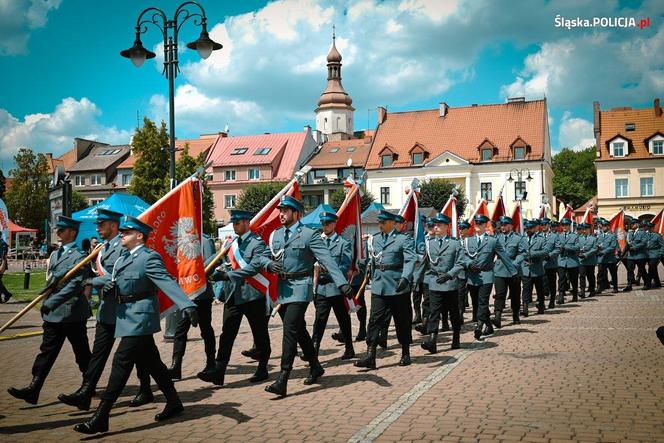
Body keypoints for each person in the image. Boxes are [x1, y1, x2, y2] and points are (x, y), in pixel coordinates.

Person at [73, 216, 199, 434]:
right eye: (122, 232)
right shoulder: (123, 258)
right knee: (153, 364)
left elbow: (166, 281)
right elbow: (112, 279)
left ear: (139, 236)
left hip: (140, 318)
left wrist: (187, 304)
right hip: (126, 317)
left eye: (127, 232)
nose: (122, 234)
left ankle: (101, 416)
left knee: (121, 362)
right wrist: (89, 282)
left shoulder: (149, 258)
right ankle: (174, 401)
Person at [59, 209, 153, 411]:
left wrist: (91, 281)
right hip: (107, 309)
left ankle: (146, 389)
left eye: (101, 224)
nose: (98, 228)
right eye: (97, 225)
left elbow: (119, 276)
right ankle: (86, 391)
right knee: (99, 354)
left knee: (141, 354)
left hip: (126, 309)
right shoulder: (102, 248)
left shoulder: (123, 247)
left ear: (113, 225)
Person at [263, 196, 352, 397]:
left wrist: (342, 282)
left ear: (296, 214)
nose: (281, 214)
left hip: (301, 287)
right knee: (299, 330)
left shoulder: (309, 235)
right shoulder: (276, 235)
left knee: (289, 329)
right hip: (283, 288)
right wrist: (267, 264)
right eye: (280, 210)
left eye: (285, 211)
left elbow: (327, 259)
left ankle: (283, 377)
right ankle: (315, 365)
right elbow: (264, 254)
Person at [8, 216, 92, 405]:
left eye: (62, 230)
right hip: (53, 313)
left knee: (82, 353)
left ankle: (88, 387)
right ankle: (34, 388)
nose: (59, 233)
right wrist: (45, 297)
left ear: (72, 232)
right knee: (46, 352)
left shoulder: (80, 257)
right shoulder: (55, 254)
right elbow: (51, 281)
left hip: (72, 313)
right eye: (58, 230)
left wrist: (51, 302)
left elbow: (74, 286)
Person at [200, 209, 272, 386]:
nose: (234, 226)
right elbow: (214, 260)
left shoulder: (258, 243)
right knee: (227, 334)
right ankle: (219, 370)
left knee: (260, 333)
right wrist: (201, 268)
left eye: (237, 222)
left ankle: (262, 368)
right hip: (233, 295)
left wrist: (227, 276)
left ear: (247, 222)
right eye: (233, 223)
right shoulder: (231, 243)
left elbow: (254, 267)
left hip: (253, 295)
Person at [355, 210, 416, 370]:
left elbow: (410, 260)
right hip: (379, 285)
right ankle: (370, 355)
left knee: (402, 320)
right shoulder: (374, 239)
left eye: (383, 222)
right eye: (379, 222)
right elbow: (372, 261)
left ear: (392, 223)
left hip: (397, 285)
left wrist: (405, 277)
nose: (380, 225)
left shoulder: (404, 239)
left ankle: (405, 352)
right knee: (374, 321)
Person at [167, 233, 217, 380]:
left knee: (205, 329)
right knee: (180, 331)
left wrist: (196, 270)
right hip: (185, 294)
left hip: (201, 294)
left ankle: (211, 363)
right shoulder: (180, 240)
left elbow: (213, 263)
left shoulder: (205, 240)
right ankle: (176, 365)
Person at [415, 214, 465, 352]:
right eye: (434, 225)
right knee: (434, 312)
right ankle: (432, 341)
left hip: (449, 283)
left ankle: (456, 337)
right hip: (434, 282)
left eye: (439, 225)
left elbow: (460, 263)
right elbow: (424, 263)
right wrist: (416, 280)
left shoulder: (455, 243)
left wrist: (449, 275)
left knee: (453, 312)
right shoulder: (429, 243)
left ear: (446, 227)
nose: (435, 227)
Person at [462, 214, 516, 340]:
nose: (478, 225)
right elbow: (463, 256)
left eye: (480, 223)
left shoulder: (492, 241)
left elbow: (503, 256)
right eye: (476, 223)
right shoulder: (468, 240)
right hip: (472, 276)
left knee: (482, 302)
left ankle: (479, 327)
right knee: (477, 303)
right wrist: (469, 264)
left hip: (486, 275)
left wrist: (513, 272)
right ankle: (489, 325)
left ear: (486, 225)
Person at [311, 211, 355, 360]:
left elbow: (345, 265)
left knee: (343, 319)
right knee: (319, 320)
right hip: (321, 288)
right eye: (323, 224)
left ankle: (349, 347)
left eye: (328, 223)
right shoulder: (317, 242)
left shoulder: (343, 243)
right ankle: (313, 350)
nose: (325, 226)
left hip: (336, 288)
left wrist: (329, 271)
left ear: (334, 224)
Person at [492, 216, 526, 326]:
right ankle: (497, 316)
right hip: (500, 270)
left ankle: (515, 315)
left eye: (505, 225)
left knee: (515, 294)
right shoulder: (496, 238)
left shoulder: (518, 238)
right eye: (501, 225)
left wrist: (515, 264)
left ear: (511, 225)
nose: (503, 227)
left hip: (513, 270)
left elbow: (522, 253)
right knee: (499, 295)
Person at [521, 220, 548, 314]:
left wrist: (532, 254)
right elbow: (519, 251)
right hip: (526, 268)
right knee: (526, 289)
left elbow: (545, 251)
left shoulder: (540, 239)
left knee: (539, 289)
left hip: (537, 268)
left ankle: (541, 306)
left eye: (530, 228)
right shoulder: (522, 239)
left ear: (534, 229)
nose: (528, 230)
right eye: (526, 229)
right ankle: (525, 308)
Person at [557, 219, 580, 303]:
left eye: (566, 225)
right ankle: (561, 296)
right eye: (562, 225)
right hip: (562, 261)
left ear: (569, 225)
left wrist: (566, 247)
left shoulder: (575, 236)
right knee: (561, 279)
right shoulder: (558, 236)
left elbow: (577, 247)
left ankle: (574, 295)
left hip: (572, 261)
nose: (564, 227)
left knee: (573, 279)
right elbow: (557, 246)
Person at [541, 219, 560, 309]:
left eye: (545, 224)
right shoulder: (538, 236)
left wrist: (550, 255)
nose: (543, 226)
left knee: (552, 283)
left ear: (549, 225)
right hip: (540, 264)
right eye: (542, 224)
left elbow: (557, 248)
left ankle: (552, 300)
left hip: (551, 263)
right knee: (542, 284)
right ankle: (542, 302)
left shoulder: (555, 236)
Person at [596, 219, 619, 294]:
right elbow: (597, 245)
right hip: (602, 259)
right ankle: (599, 288)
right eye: (602, 226)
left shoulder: (612, 236)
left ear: (608, 227)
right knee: (600, 274)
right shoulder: (599, 236)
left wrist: (603, 252)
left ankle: (615, 287)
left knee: (613, 273)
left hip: (610, 259)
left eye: (605, 226)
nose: (603, 227)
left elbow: (612, 247)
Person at [578, 223, 599, 298]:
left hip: (590, 260)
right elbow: (577, 247)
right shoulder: (579, 238)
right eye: (583, 229)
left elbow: (595, 248)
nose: (584, 231)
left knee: (590, 276)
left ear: (589, 229)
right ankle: (582, 291)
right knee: (582, 276)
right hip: (581, 260)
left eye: (585, 229)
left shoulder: (594, 238)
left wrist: (586, 254)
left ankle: (592, 290)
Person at [457, 220, 472, 323]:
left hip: (472, 270)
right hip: (461, 271)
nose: (461, 230)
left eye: (463, 228)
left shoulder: (472, 240)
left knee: (474, 292)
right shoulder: (456, 241)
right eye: (460, 228)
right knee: (460, 293)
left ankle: (476, 313)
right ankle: (460, 314)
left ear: (468, 229)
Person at [645, 222, 663, 289]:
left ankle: (648, 283)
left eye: (650, 228)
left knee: (651, 267)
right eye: (648, 228)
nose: (649, 229)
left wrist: (660, 253)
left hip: (655, 253)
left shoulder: (657, 236)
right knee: (654, 268)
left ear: (653, 228)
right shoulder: (645, 235)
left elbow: (662, 245)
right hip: (647, 254)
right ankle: (657, 283)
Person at [0, 236, 12, 303]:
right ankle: (6, 294)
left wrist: (3, 263)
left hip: (2, 263)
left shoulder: (3, 243)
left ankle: (7, 294)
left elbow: (4, 254)